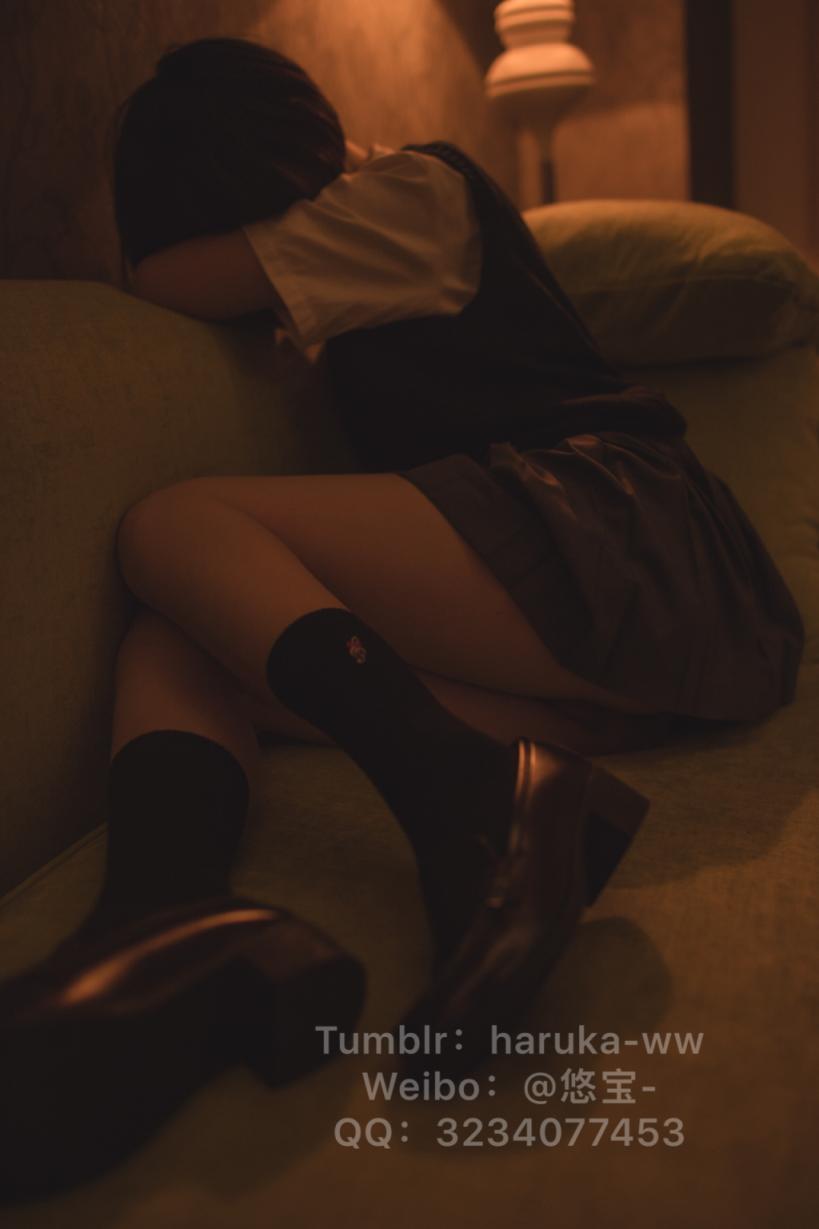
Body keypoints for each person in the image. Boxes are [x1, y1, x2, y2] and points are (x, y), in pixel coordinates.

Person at [0, 36, 804, 1202]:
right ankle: (158, 932)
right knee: (186, 636)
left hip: (627, 532)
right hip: (593, 623)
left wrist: (188, 249)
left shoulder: (413, 191)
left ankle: (480, 798)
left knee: (169, 526)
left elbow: (173, 280)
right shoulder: (351, 261)